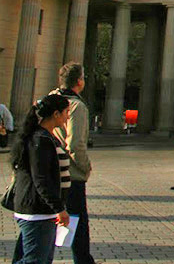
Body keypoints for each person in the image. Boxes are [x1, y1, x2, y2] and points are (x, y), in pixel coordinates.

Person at [7, 93, 72, 264]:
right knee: (35, 260)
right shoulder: (40, 139)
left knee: (38, 259)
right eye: (66, 112)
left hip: (43, 211)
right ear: (56, 114)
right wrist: (59, 209)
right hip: (37, 211)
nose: (67, 117)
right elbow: (41, 178)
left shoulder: (45, 136)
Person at [50, 62, 97, 264]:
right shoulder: (76, 106)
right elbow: (75, 144)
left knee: (50, 221)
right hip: (70, 174)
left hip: (49, 169)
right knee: (77, 224)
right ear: (79, 81)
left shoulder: (50, 99)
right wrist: (86, 167)